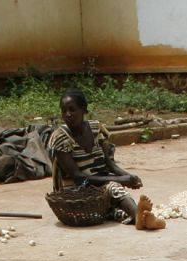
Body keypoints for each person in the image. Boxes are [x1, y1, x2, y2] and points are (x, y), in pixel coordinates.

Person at [48, 89, 164, 230]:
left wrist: (128, 176)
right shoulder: (60, 137)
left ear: (84, 109)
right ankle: (139, 215)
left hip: (99, 185)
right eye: (64, 111)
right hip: (77, 190)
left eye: (72, 110)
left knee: (109, 208)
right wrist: (119, 180)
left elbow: (109, 164)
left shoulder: (96, 129)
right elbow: (78, 177)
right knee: (113, 187)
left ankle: (143, 219)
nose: (68, 115)